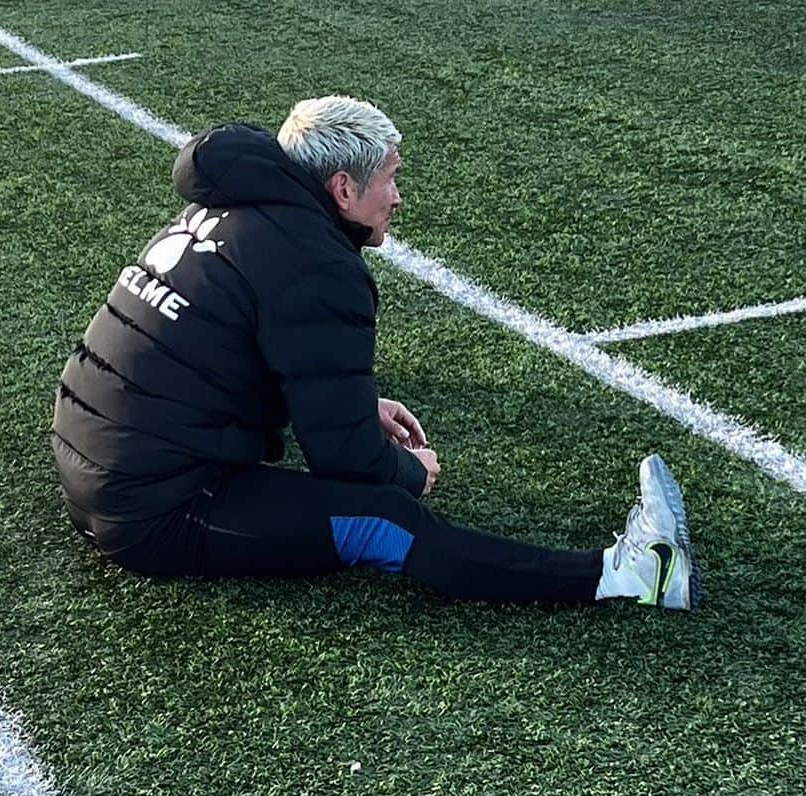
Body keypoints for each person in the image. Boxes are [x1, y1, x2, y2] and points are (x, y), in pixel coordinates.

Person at [52, 95, 701, 610]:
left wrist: (358, 404)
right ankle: (627, 575)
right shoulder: (316, 264)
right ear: (341, 188)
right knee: (386, 517)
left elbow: (235, 355)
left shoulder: (234, 208)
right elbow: (350, 461)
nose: (397, 196)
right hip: (151, 509)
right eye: (390, 178)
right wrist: (410, 473)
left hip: (101, 461)